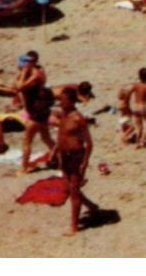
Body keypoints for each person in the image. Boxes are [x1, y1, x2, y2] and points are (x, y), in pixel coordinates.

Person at [53, 86, 97, 235]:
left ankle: (74, 227)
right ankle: (91, 206)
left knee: (73, 192)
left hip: (76, 157)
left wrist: (85, 163)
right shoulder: (63, 116)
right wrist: (56, 154)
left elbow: (89, 143)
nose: (60, 103)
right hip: (64, 156)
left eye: (63, 101)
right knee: (71, 188)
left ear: (71, 102)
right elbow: (60, 137)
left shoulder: (78, 118)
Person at [118, 68, 146, 148]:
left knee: (139, 127)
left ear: (139, 76)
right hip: (142, 107)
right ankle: (143, 138)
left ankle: (137, 144)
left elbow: (128, 94)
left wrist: (125, 103)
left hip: (135, 107)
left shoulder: (136, 85)